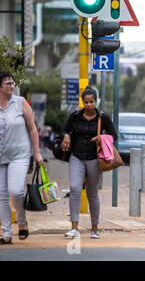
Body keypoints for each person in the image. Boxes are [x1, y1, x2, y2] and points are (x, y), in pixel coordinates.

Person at [61, 86, 117, 239]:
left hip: (94, 159)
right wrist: (66, 135)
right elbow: (64, 130)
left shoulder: (102, 118)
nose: (89, 105)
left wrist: (102, 138)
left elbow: (114, 136)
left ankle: (95, 229)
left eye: (92, 102)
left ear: (96, 101)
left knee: (92, 194)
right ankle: (74, 227)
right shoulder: (75, 116)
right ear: (82, 102)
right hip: (76, 157)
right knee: (74, 189)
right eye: (86, 102)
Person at [0, 71, 43, 245]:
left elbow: (32, 129)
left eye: (12, 83)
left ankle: (22, 220)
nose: (12, 86)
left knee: (16, 191)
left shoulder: (20, 103)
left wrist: (37, 152)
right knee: (2, 195)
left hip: (20, 154)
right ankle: (6, 233)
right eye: (8, 83)